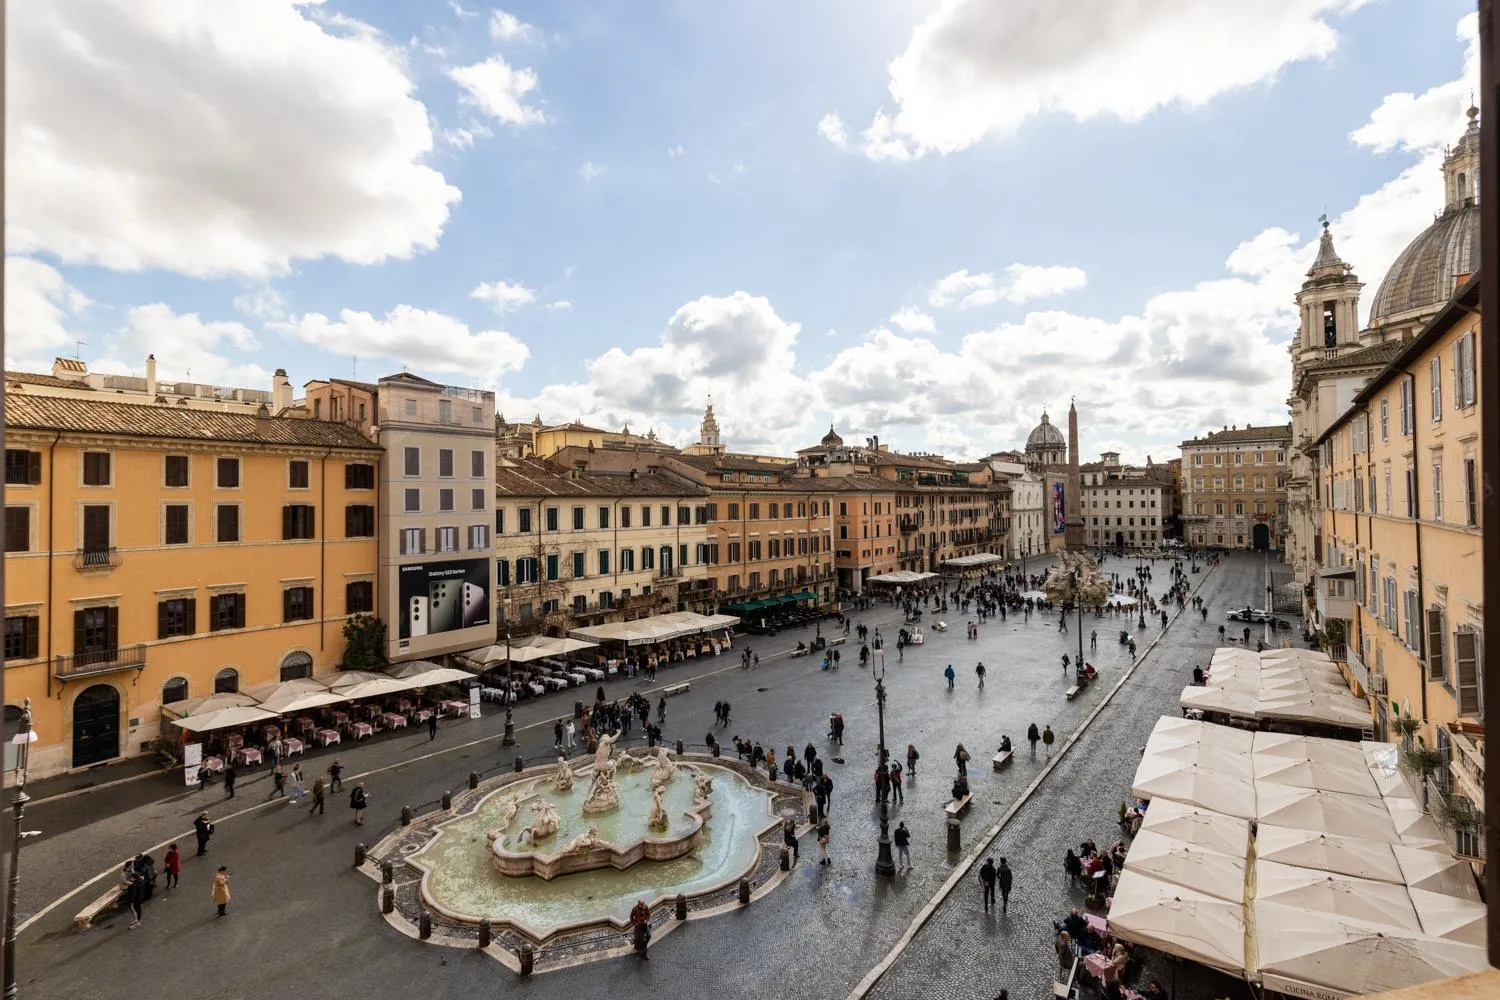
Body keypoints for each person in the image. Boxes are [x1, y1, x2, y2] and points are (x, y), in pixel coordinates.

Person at [122, 862, 144, 928]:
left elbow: (133, 894)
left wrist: (131, 901)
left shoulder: (134, 885)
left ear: (134, 878)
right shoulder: (139, 883)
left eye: (131, 877)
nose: (130, 878)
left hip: (135, 900)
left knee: (135, 910)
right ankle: (137, 920)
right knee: (137, 910)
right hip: (139, 899)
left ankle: (137, 922)